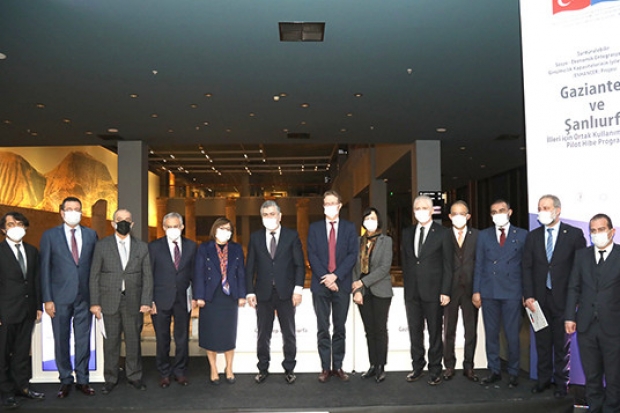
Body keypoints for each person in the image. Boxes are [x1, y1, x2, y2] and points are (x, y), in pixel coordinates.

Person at [522, 195, 585, 398]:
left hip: (564, 299)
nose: (542, 211)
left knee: (561, 345)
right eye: (540, 208)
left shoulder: (574, 235)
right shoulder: (533, 237)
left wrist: (576, 300)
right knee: (542, 343)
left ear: (557, 210)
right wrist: (528, 295)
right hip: (538, 300)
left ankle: (561, 384)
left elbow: (580, 269)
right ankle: (543, 380)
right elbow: (526, 267)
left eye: (546, 207)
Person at [89, 208, 153, 394]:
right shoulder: (102, 246)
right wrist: (95, 302)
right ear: (113, 223)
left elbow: (148, 276)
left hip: (133, 301)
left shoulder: (142, 247)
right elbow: (94, 275)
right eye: (119, 219)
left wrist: (146, 300)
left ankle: (134, 376)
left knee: (133, 341)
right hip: (108, 301)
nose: (123, 222)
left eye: (127, 220)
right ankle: (110, 378)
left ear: (132, 224)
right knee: (111, 343)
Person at [40, 197, 98, 398]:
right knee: (61, 339)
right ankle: (65, 379)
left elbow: (95, 267)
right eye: (69, 209)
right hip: (59, 298)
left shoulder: (91, 235)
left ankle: (83, 379)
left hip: (85, 297)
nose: (74, 212)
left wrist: (96, 298)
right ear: (62, 212)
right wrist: (47, 299)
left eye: (77, 209)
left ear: (81, 212)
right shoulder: (49, 236)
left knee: (83, 340)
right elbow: (44, 269)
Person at [246, 201, 305, 384]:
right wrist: (250, 292)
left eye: (272, 214)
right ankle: (263, 368)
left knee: (289, 333)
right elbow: (250, 267)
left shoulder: (291, 236)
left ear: (280, 216)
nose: (269, 217)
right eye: (265, 215)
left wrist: (298, 289)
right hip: (263, 293)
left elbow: (299, 265)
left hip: (286, 293)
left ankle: (289, 368)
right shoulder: (255, 238)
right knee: (263, 334)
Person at [565, 213, 620, 413]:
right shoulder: (582, 256)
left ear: (612, 231)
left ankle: (612, 409)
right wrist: (570, 316)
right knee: (592, 374)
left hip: (614, 326)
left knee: (614, 376)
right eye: (593, 231)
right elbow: (574, 287)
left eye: (601, 229)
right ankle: (594, 408)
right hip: (586, 325)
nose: (597, 234)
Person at [473, 199, 527, 388]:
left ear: (510, 212)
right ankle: (494, 370)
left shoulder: (522, 235)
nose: (498, 214)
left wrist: (526, 292)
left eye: (501, 210)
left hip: (512, 291)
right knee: (491, 334)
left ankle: (513, 372)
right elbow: (479, 264)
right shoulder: (484, 235)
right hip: (489, 291)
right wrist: (476, 290)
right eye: (494, 211)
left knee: (512, 335)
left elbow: (526, 266)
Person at [307, 190, 358, 383]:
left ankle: (337, 366)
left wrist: (335, 276)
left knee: (339, 328)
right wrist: (327, 278)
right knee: (322, 328)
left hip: (342, 284)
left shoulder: (349, 228)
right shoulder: (314, 228)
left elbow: (352, 255)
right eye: (326, 203)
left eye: (332, 203)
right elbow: (312, 255)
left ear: (339, 205)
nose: (329, 206)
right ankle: (325, 368)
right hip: (320, 285)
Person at [401, 195, 452, 386]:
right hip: (412, 292)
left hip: (434, 291)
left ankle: (435, 369)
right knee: (415, 332)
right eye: (417, 208)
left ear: (431, 211)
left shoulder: (443, 233)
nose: (420, 211)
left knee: (434, 332)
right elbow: (406, 262)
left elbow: (448, 265)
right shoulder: (407, 233)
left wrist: (445, 291)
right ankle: (417, 366)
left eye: (424, 208)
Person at [193, 217, 246, 385]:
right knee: (211, 334)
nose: (225, 232)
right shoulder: (204, 248)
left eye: (228, 229)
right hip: (211, 296)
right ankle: (213, 369)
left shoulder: (236, 248)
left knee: (229, 334)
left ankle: (229, 368)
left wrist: (242, 295)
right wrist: (199, 296)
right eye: (222, 228)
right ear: (215, 229)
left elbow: (241, 273)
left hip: (229, 296)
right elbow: (198, 272)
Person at [0, 212, 44, 409]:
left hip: (27, 310)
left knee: (22, 352)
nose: (15, 227)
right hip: (5, 312)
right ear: (3, 229)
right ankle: (6, 392)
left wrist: (38, 306)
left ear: (25, 227)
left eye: (19, 223)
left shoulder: (32, 251)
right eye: (11, 224)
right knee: (2, 354)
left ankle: (22, 387)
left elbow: (35, 280)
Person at [148, 212, 197, 388]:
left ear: (182, 227)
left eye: (175, 226)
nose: (172, 229)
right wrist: (149, 300)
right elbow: (148, 275)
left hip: (183, 298)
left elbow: (195, 273)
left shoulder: (191, 246)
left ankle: (180, 372)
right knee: (162, 339)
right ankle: (164, 373)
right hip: (160, 299)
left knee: (182, 338)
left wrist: (195, 296)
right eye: (169, 226)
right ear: (163, 228)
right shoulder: (154, 247)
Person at [352, 207, 393, 383]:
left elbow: (384, 268)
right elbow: (354, 268)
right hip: (363, 293)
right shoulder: (357, 242)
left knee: (380, 329)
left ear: (379, 221)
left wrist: (362, 283)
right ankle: (372, 365)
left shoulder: (386, 241)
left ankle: (381, 366)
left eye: (373, 218)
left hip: (380, 290)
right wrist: (357, 290)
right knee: (369, 330)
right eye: (367, 218)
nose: (370, 221)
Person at [442, 200, 480, 382]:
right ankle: (449, 365)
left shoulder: (477, 236)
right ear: (450, 216)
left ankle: (469, 366)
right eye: (455, 214)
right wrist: (443, 290)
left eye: (462, 213)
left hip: (471, 290)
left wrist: (478, 290)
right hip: (450, 289)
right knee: (449, 330)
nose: (458, 217)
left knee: (470, 330)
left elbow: (480, 264)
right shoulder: (443, 236)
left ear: (468, 216)